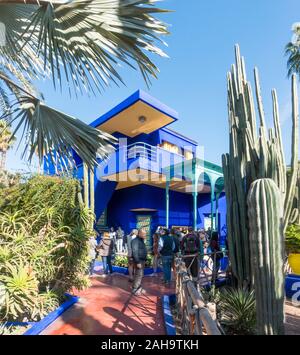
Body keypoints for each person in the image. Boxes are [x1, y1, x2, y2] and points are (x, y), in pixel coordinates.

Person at [131, 228, 148, 295]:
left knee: (140, 275)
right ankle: (135, 289)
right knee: (138, 274)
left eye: (145, 234)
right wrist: (138, 262)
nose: (145, 235)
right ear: (139, 233)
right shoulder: (135, 241)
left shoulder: (141, 240)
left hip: (142, 260)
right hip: (139, 260)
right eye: (144, 234)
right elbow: (135, 251)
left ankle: (139, 287)